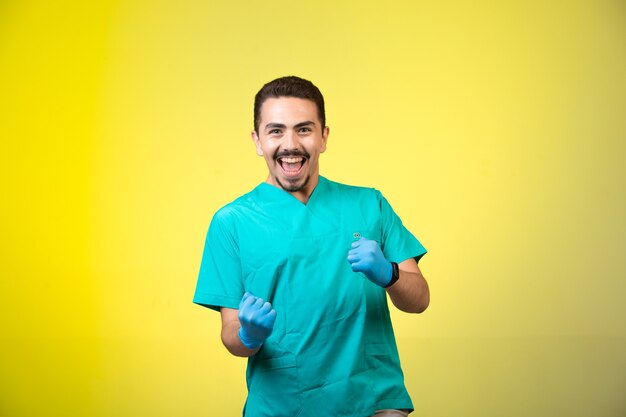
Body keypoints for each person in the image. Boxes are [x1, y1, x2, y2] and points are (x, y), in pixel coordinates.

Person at [193, 76, 430, 417]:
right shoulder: (232, 222)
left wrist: (389, 273)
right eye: (276, 131)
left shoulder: (369, 205)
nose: (290, 144)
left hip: (374, 399)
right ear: (258, 141)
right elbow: (230, 335)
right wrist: (249, 334)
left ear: (324, 137)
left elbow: (419, 299)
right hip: (284, 404)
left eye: (303, 129)